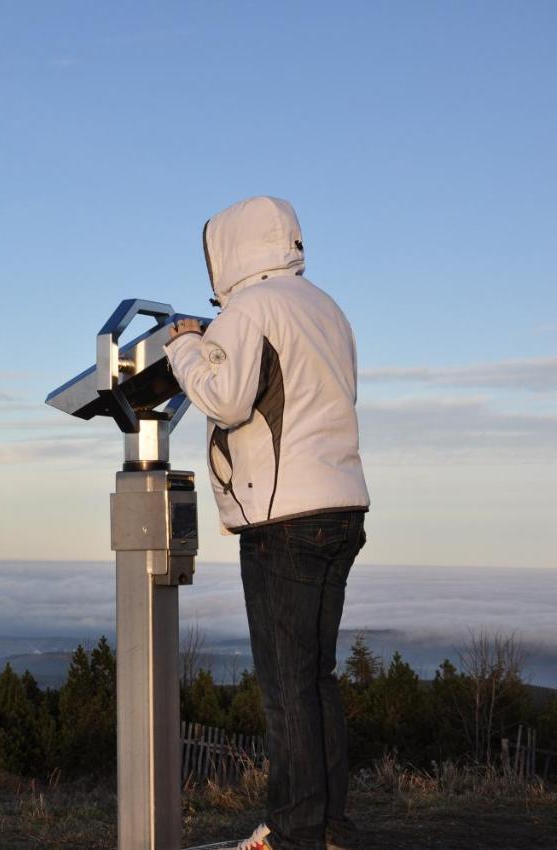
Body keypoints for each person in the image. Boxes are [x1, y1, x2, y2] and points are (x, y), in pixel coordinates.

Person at [164, 196, 370, 850]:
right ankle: (328, 828)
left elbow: (226, 400)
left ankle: (294, 835)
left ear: (228, 250)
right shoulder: (325, 309)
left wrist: (187, 347)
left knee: (286, 690)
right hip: (341, 507)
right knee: (316, 680)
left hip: (284, 519)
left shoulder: (249, 309)